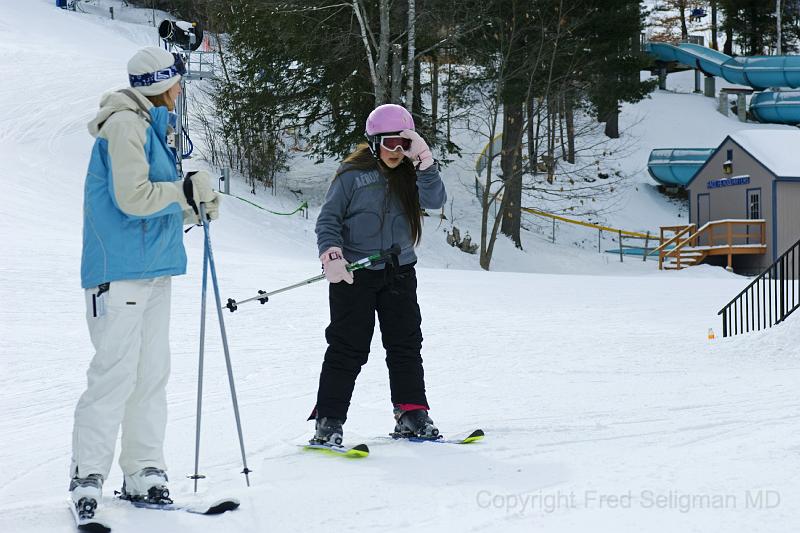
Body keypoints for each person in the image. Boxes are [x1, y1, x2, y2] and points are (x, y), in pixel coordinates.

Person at [69, 47, 221, 515]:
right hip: (120, 272)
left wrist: (194, 203)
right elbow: (133, 198)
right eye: (176, 83)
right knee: (114, 375)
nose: (180, 91)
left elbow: (158, 200)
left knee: (151, 375)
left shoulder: (155, 128)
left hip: (155, 269)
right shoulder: (124, 126)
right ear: (159, 84)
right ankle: (87, 476)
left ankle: (144, 470)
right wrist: (183, 192)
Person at [311, 103, 447, 446]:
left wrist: (425, 162)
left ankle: (412, 412)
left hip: (399, 271)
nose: (397, 152)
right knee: (348, 347)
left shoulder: (410, 173)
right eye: (390, 144)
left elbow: (434, 201)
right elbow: (328, 220)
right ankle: (329, 420)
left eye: (404, 144)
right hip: (354, 274)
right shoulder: (351, 175)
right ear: (374, 142)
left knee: (405, 344)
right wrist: (332, 256)